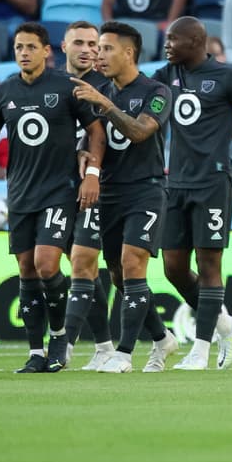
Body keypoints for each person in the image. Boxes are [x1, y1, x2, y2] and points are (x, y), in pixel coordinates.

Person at [0, 22, 106, 374]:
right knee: (26, 270)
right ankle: (36, 352)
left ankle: (60, 336)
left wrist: (92, 173)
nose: (24, 53)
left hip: (59, 191)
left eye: (31, 47)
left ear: (47, 51)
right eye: (19, 47)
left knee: (47, 264)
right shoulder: (5, 91)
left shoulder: (66, 87)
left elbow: (96, 132)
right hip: (20, 194)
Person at [151, 17, 232, 371]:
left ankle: (200, 350)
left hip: (213, 183)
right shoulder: (164, 76)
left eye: (173, 39)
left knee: (209, 264)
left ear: (195, 41)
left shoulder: (230, 78)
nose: (167, 45)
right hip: (176, 183)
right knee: (173, 268)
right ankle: (226, 325)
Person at [67, 22, 177, 373]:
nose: (98, 55)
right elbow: (91, 136)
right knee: (117, 274)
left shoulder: (156, 91)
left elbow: (140, 131)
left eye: (106, 48)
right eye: (97, 48)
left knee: (132, 264)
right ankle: (162, 338)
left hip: (145, 190)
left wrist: (105, 104)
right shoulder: (99, 89)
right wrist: (82, 154)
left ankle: (124, 353)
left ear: (129, 53)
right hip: (108, 192)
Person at [59, 21, 120, 368]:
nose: (87, 50)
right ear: (63, 46)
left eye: (93, 44)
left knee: (83, 263)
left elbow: (107, 135)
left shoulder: (107, 86)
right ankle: (109, 345)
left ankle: (64, 346)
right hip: (61, 187)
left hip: (101, 186)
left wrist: (92, 167)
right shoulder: (53, 84)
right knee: (86, 268)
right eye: (79, 43)